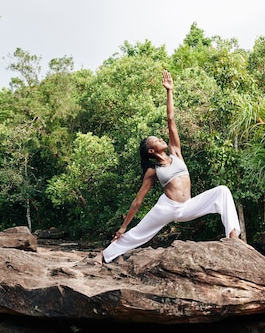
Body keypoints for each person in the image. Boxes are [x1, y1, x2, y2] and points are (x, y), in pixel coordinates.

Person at [101, 69, 242, 263]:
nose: (160, 139)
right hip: (168, 207)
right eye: (156, 140)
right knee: (139, 232)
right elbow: (138, 201)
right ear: (151, 151)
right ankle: (105, 255)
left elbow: (171, 120)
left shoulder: (175, 152)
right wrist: (123, 226)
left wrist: (169, 91)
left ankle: (233, 237)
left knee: (223, 191)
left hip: (188, 206)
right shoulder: (153, 171)